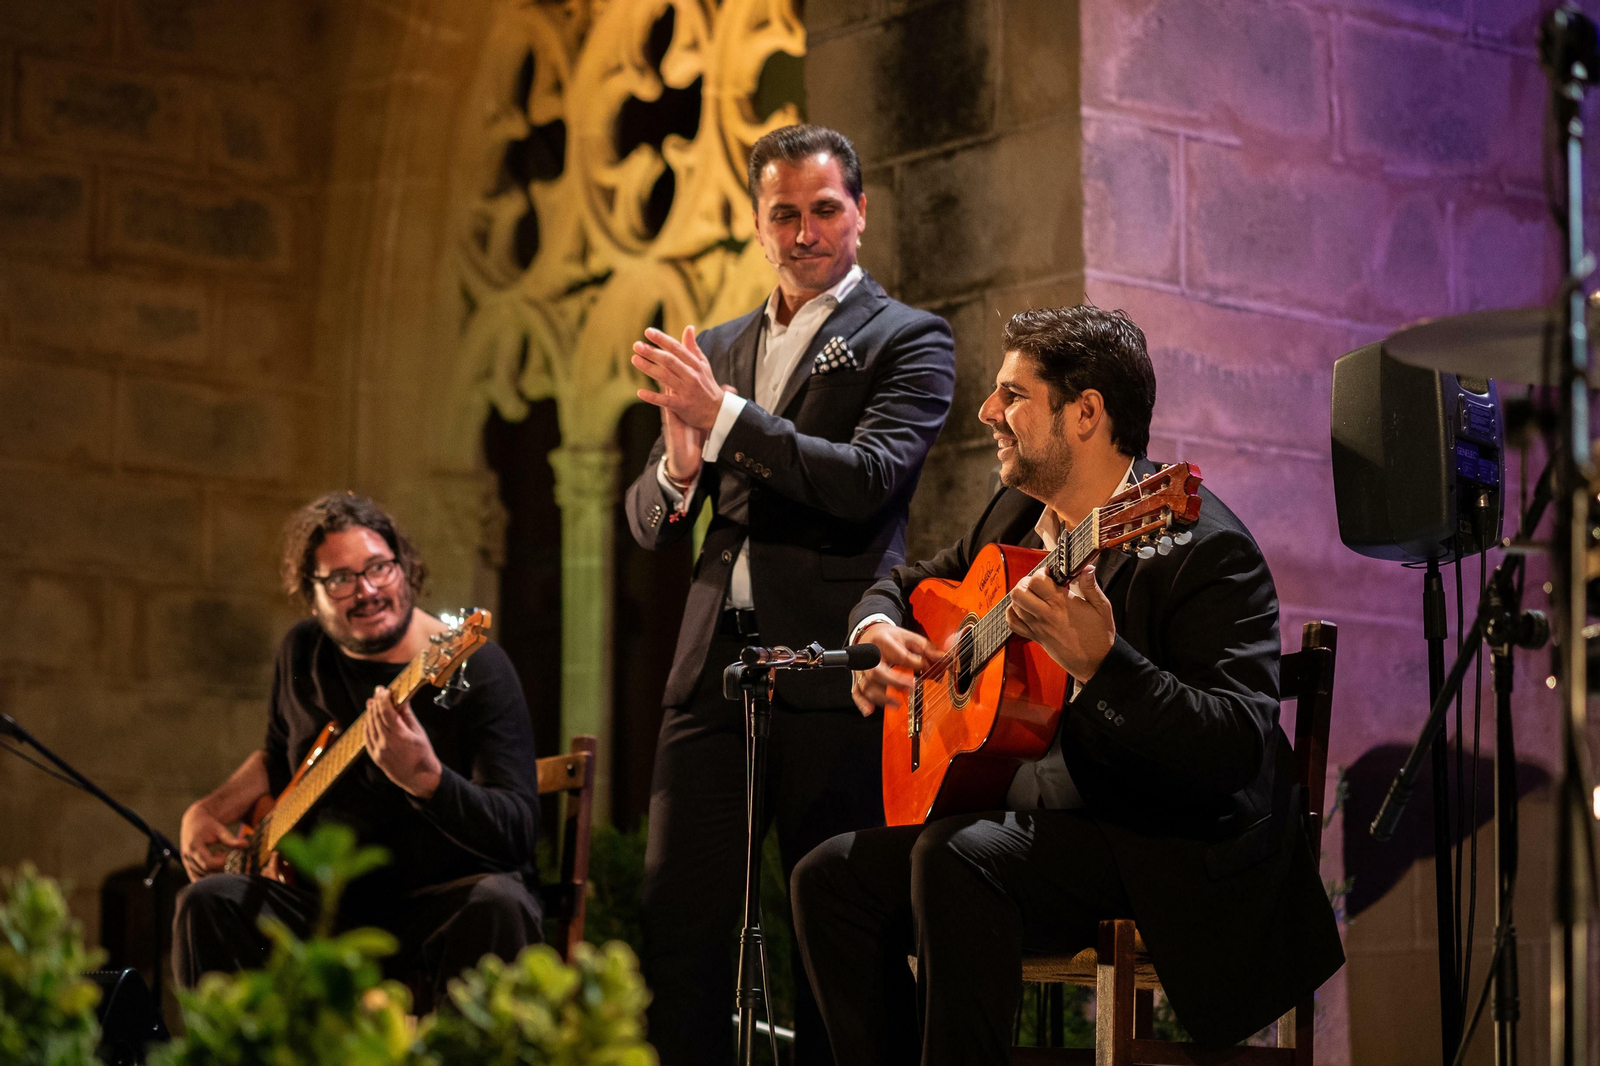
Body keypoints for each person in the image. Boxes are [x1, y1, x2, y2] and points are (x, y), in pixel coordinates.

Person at [790, 306, 1344, 1065]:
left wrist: (1105, 666)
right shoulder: (1015, 514)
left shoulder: (1205, 550)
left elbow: (1236, 751)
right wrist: (876, 630)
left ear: (1086, 413)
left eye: (1012, 395)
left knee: (954, 856)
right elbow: (912, 583)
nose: (987, 413)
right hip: (1035, 826)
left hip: (1159, 847)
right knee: (829, 879)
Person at [623, 123, 956, 1065]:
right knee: (677, 924)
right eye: (784, 214)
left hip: (831, 662)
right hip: (713, 667)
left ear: (861, 214)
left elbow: (865, 479)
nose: (805, 232)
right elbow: (647, 521)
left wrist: (722, 418)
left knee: (830, 934)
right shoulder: (720, 345)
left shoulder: (909, 338)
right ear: (757, 225)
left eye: (824, 210)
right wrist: (681, 470)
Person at [172, 492, 542, 1011]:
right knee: (206, 904)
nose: (367, 590)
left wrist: (426, 780)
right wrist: (209, 811)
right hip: (329, 910)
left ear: (405, 568)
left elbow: (517, 831)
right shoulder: (303, 653)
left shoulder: (474, 666)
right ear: (311, 593)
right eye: (341, 580)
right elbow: (281, 758)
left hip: (440, 905)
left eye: (379, 569)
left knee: (500, 904)